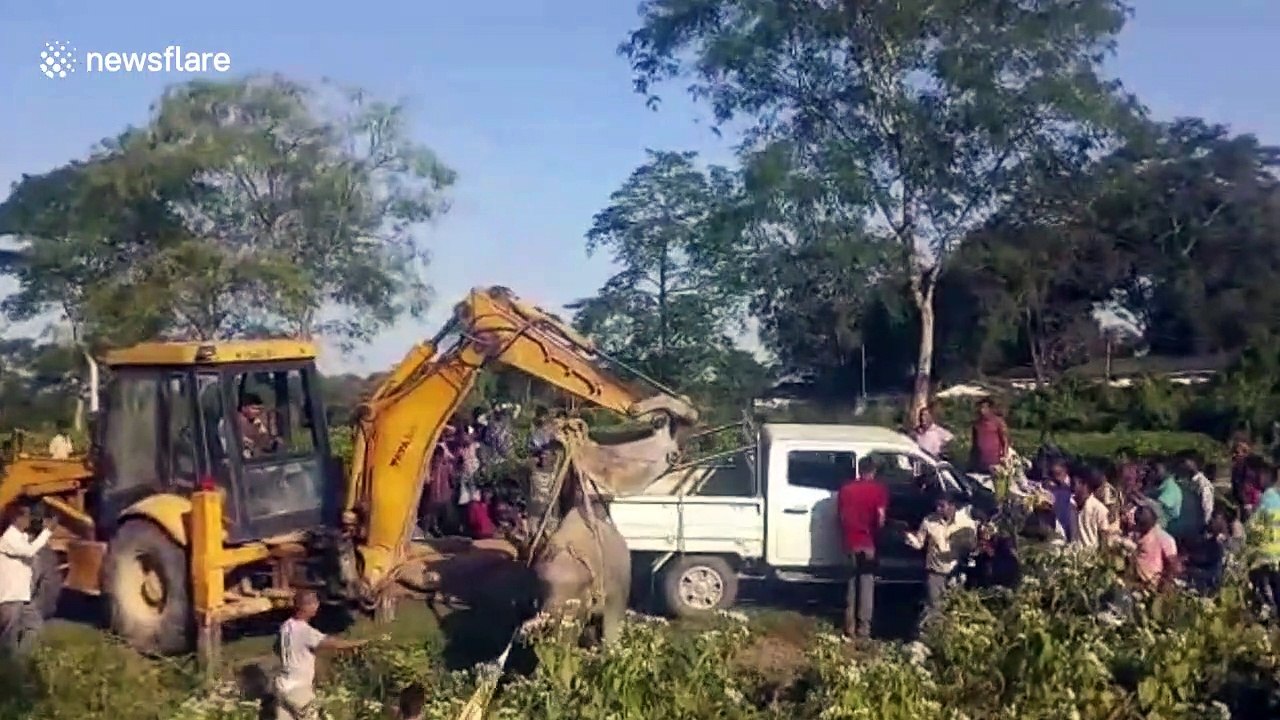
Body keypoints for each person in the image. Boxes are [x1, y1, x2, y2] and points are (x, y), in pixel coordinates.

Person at [273, 589, 366, 719]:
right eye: (314, 603)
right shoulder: (305, 631)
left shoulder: (285, 626)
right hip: (299, 689)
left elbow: (277, 648)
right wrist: (360, 643)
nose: (317, 607)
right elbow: (333, 644)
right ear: (305, 606)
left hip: (282, 686)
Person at [836, 456, 888, 638]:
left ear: (859, 470)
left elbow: (841, 516)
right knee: (866, 583)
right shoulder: (878, 490)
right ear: (873, 471)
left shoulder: (845, 489)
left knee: (851, 582)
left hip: (850, 541)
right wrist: (878, 534)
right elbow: (880, 518)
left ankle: (849, 626)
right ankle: (863, 629)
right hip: (867, 542)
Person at [905, 493, 977, 617]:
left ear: (952, 506)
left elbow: (972, 546)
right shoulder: (929, 521)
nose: (938, 509)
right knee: (935, 607)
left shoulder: (966, 523)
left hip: (956, 572)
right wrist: (910, 539)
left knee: (955, 608)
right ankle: (933, 633)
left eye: (942, 506)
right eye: (937, 506)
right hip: (935, 571)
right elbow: (920, 543)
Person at [0, 501, 56, 658]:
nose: (29, 520)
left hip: (23, 596)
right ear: (16, 519)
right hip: (10, 597)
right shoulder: (7, 538)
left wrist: (41, 528)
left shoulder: (21, 537)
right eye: (26, 516)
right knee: (7, 637)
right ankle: (8, 669)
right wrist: (47, 531)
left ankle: (19, 660)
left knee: (35, 627)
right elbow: (29, 551)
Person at [1247, 464, 1280, 618]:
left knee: (1267, 600)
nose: (1256, 479)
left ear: (1267, 477)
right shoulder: (1277, 499)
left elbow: (1252, 528)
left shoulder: (1265, 500)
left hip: (1264, 557)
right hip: (1276, 557)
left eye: (1259, 475)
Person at [1130, 505, 1181, 591]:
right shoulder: (1139, 534)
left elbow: (1174, 566)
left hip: (1150, 585)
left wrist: (1163, 585)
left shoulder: (1164, 538)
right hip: (1135, 579)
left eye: (1142, 523)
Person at [1071, 473, 1114, 550]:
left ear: (1085, 485)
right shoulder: (1070, 505)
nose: (1073, 486)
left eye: (1075, 483)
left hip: (1090, 556)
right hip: (1072, 555)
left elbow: (1104, 537)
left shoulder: (1099, 509)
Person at [969, 398, 1009, 474]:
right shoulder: (977, 424)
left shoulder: (998, 422)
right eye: (980, 407)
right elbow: (974, 444)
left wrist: (1005, 456)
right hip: (981, 462)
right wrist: (972, 462)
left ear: (990, 409)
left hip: (995, 461)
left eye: (984, 408)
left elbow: (1005, 441)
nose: (982, 410)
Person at [1146, 459, 1184, 534]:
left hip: (1166, 528)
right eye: (1152, 470)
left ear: (1167, 471)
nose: (1153, 473)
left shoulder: (1171, 487)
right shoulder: (1159, 486)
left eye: (1156, 470)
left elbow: (1157, 506)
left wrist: (1139, 500)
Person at [238, 393, 280, 459]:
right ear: (244, 409)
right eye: (254, 409)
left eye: (260, 409)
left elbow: (267, 442)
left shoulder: (259, 422)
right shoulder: (234, 427)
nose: (258, 412)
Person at [1180, 451, 1214, 528]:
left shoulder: (1203, 484)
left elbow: (1207, 507)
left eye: (1184, 462)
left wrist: (1204, 526)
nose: (1182, 465)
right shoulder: (1186, 481)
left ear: (1194, 463)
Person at [1047, 460, 1076, 543]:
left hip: (1070, 520)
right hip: (1057, 521)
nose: (1056, 477)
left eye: (1058, 473)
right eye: (1054, 474)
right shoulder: (1051, 485)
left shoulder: (1074, 485)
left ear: (1065, 471)